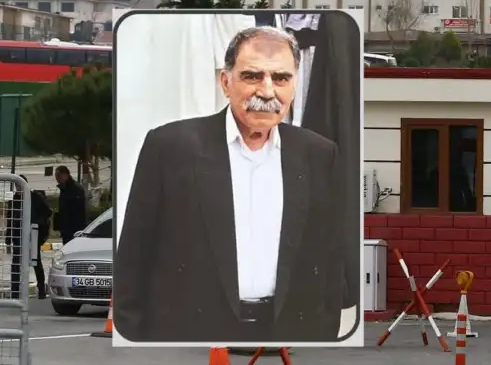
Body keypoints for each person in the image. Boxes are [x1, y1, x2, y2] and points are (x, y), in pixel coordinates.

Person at [116, 26, 355, 344]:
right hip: (190, 338)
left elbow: (330, 258)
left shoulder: (319, 154)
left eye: (281, 78)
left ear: (294, 85)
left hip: (290, 338)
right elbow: (133, 257)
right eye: (252, 76)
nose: (267, 92)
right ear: (226, 82)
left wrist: (322, 333)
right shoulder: (170, 147)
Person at [52, 166, 86, 244]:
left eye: (59, 176)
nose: (57, 179)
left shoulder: (76, 189)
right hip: (65, 229)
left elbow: (78, 211)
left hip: (74, 229)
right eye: (56, 176)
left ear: (66, 175)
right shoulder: (64, 188)